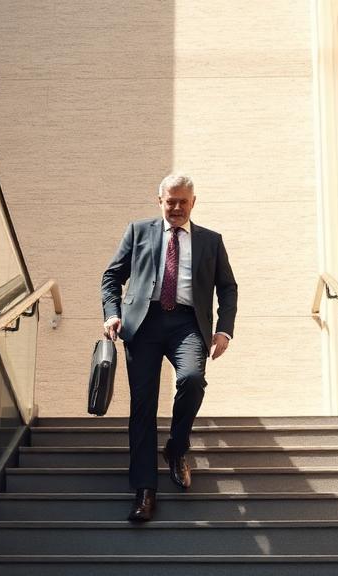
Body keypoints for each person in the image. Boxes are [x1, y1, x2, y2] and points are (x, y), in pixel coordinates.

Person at [101, 174, 238, 522]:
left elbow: (228, 288)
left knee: (192, 379)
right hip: (142, 324)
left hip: (188, 324)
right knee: (143, 406)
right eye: (170, 201)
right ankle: (145, 490)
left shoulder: (211, 240)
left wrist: (224, 330)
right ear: (159, 200)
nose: (176, 208)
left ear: (193, 202)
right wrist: (112, 313)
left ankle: (176, 449)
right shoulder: (138, 231)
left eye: (183, 201)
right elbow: (111, 276)